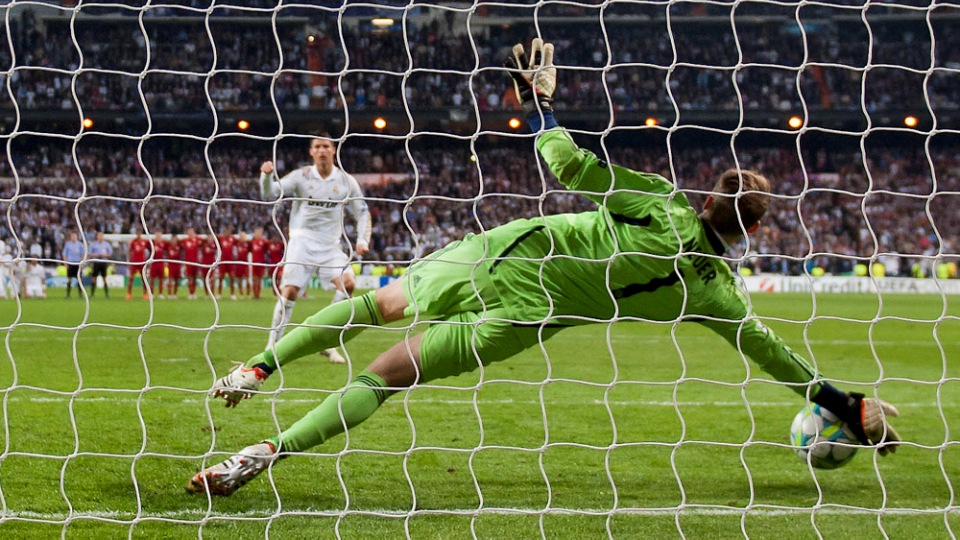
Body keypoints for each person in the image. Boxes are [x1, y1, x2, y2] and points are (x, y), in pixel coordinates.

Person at [187, 40, 901, 497]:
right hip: (524, 320)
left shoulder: (659, 204)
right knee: (382, 376)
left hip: (500, 258)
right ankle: (267, 453)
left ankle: (258, 369)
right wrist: (846, 405)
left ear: (709, 195)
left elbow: (564, 163)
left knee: (379, 305)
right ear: (750, 231)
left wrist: (538, 103)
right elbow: (772, 356)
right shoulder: (717, 293)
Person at [258, 132, 372, 364]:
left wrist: (363, 240)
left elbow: (362, 211)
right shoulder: (301, 176)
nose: (322, 150)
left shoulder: (346, 181)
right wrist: (266, 176)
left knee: (349, 284)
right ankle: (271, 347)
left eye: (326, 146)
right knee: (290, 292)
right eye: (317, 146)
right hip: (302, 241)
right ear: (311, 152)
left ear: (333, 150)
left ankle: (325, 340)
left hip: (331, 245)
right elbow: (269, 193)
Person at [126, 231, 150, 300]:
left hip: (142, 263)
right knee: (131, 278)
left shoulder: (144, 241)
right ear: (136, 234)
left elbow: (150, 248)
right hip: (134, 263)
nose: (138, 235)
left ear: (141, 234)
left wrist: (147, 259)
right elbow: (129, 251)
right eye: (137, 233)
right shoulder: (133, 241)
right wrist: (130, 260)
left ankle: (145, 294)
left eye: (139, 234)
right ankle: (129, 294)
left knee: (144, 279)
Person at [88, 231, 113, 298]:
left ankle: (107, 294)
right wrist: (97, 255)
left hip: (104, 263)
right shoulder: (93, 244)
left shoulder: (107, 244)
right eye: (99, 236)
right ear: (97, 237)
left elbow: (110, 254)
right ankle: (92, 294)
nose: (100, 237)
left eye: (101, 236)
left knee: (104, 278)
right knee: (94, 278)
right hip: (96, 262)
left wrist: (104, 255)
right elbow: (89, 253)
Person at [180, 228, 203, 300]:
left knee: (195, 277)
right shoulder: (185, 241)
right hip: (188, 263)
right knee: (190, 278)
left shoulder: (197, 239)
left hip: (195, 262)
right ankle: (190, 293)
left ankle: (194, 293)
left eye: (191, 232)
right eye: (189, 232)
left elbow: (204, 241)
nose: (190, 233)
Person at [61, 232, 84, 299]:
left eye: (74, 236)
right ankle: (68, 294)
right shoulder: (67, 245)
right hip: (70, 263)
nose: (73, 237)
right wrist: (65, 263)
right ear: (70, 237)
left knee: (79, 279)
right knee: (69, 279)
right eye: (72, 236)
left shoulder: (80, 245)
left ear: (77, 237)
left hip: (77, 263)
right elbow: (64, 254)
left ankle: (80, 294)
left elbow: (83, 255)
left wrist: (82, 263)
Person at [249, 227, 269, 300]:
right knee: (254, 278)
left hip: (261, 263)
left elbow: (266, 249)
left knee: (259, 279)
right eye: (256, 232)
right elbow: (250, 250)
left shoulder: (264, 241)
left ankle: (258, 294)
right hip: (254, 263)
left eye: (259, 232)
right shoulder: (252, 242)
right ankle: (254, 294)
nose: (257, 234)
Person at [148, 231, 168, 299]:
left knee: (161, 279)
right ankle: (152, 294)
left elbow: (167, 250)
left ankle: (160, 293)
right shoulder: (152, 243)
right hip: (153, 263)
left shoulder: (164, 243)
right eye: (157, 236)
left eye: (159, 236)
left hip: (160, 262)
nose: (158, 238)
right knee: (152, 279)